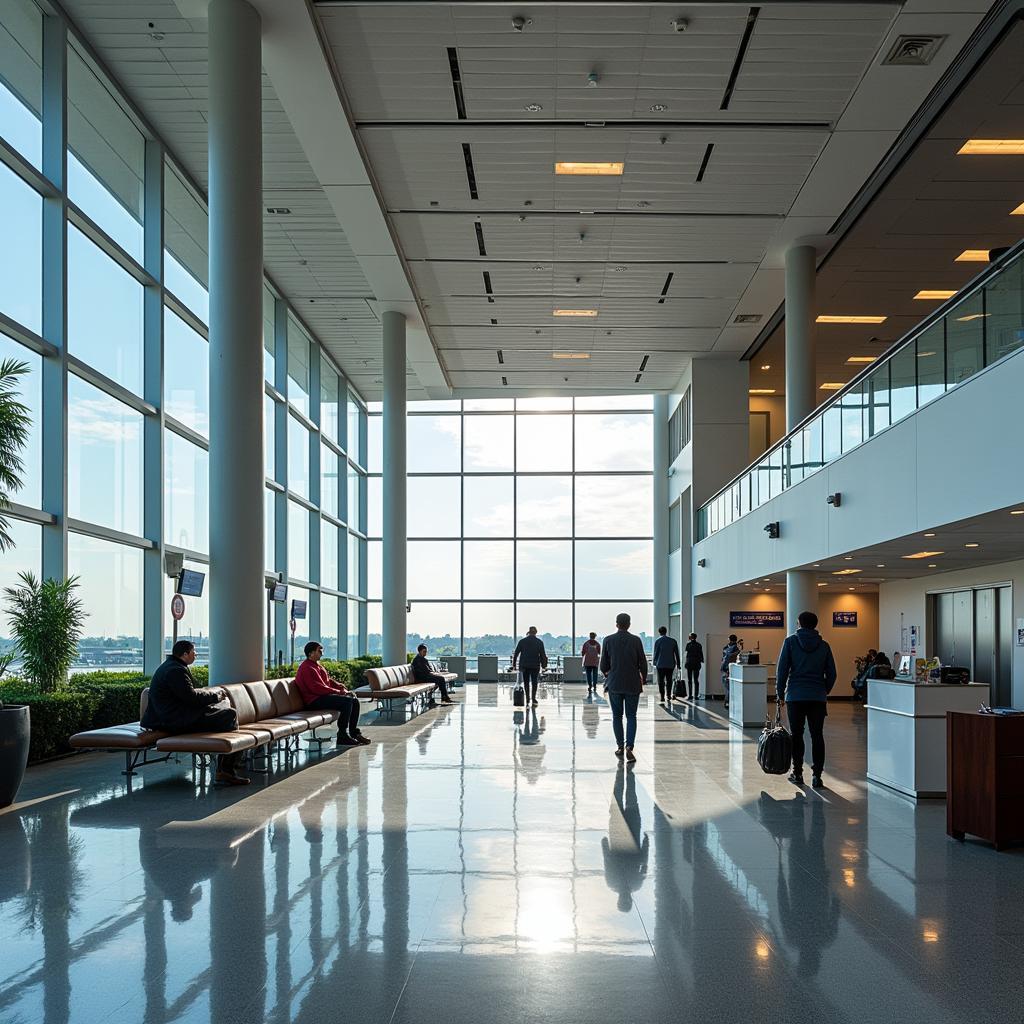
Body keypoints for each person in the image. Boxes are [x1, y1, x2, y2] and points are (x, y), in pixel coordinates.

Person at [140, 639, 249, 786]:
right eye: (193, 652)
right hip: (172, 721)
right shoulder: (176, 670)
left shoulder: (171, 666)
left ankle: (227, 764)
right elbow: (191, 697)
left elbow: (186, 696)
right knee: (229, 715)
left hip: (171, 716)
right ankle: (226, 769)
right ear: (185, 654)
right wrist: (215, 697)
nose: (195, 655)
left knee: (224, 714)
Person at [776, 610, 837, 789]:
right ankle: (817, 776)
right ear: (815, 624)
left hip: (795, 696)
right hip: (817, 696)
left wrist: (780, 693)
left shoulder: (790, 642)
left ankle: (797, 772)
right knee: (817, 735)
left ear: (799, 623)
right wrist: (823, 690)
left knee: (797, 735)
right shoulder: (824, 645)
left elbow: (782, 670)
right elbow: (832, 673)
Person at [295, 641, 371, 747]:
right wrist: (340, 692)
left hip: (321, 697)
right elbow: (317, 688)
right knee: (347, 702)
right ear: (311, 653)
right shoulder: (307, 668)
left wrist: (340, 687)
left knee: (354, 700)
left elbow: (328, 681)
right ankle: (342, 735)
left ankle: (354, 733)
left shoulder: (317, 666)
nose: (322, 653)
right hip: (313, 701)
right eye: (319, 650)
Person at [600, 612, 648, 763]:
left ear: (616, 624)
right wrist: (643, 678)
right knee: (631, 716)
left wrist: (610, 674)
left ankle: (620, 746)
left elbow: (603, 665)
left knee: (617, 716)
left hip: (615, 683)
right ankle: (630, 747)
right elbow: (643, 663)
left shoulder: (608, 640)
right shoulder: (636, 640)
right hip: (633, 683)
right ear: (629, 624)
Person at [512, 626, 548, 707]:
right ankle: (534, 698)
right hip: (535, 665)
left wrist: (514, 665)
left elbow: (516, 653)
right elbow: (543, 655)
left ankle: (527, 698)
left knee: (526, 682)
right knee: (534, 682)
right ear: (536, 632)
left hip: (524, 665)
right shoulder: (539, 642)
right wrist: (544, 666)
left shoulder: (522, 641)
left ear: (529, 632)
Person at [652, 626, 680, 705]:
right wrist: (678, 664)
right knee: (669, 680)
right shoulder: (673, 641)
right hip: (670, 664)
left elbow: (656, 653)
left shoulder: (658, 641)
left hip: (660, 664)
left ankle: (662, 696)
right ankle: (668, 695)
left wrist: (654, 662)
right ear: (666, 631)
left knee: (661, 681)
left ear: (659, 632)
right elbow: (676, 654)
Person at [720, 634, 741, 709]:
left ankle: (727, 702)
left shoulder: (734, 648)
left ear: (730, 639)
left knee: (729, 687)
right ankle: (728, 701)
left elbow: (728, 657)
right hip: (726, 669)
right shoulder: (727, 647)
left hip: (728, 669)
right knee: (728, 687)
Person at [683, 633, 704, 700]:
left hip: (689, 663)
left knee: (689, 680)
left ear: (690, 637)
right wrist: (701, 661)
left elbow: (686, 655)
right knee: (696, 680)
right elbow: (701, 654)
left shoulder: (688, 644)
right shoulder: (699, 645)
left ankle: (690, 695)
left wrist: (685, 663)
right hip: (697, 664)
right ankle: (696, 695)